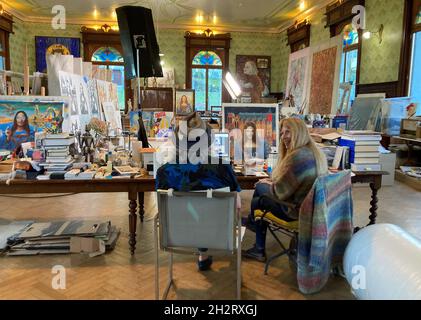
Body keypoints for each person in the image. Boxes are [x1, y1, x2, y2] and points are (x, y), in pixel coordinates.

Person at [156, 112, 241, 271]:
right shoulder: (222, 168)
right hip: (217, 232)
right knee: (221, 204)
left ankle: (203, 253)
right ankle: (204, 252)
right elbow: (236, 204)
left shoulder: (164, 173)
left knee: (192, 207)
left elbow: (162, 210)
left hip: (178, 233)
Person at [243, 118, 328, 261]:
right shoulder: (313, 152)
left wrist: (267, 184)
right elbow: (290, 183)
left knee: (259, 192)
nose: (283, 137)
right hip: (311, 209)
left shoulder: (298, 157)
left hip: (295, 212)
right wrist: (272, 182)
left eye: (288, 132)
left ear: (299, 132)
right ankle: (255, 235)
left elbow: (279, 193)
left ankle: (257, 241)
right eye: (282, 133)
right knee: (260, 195)